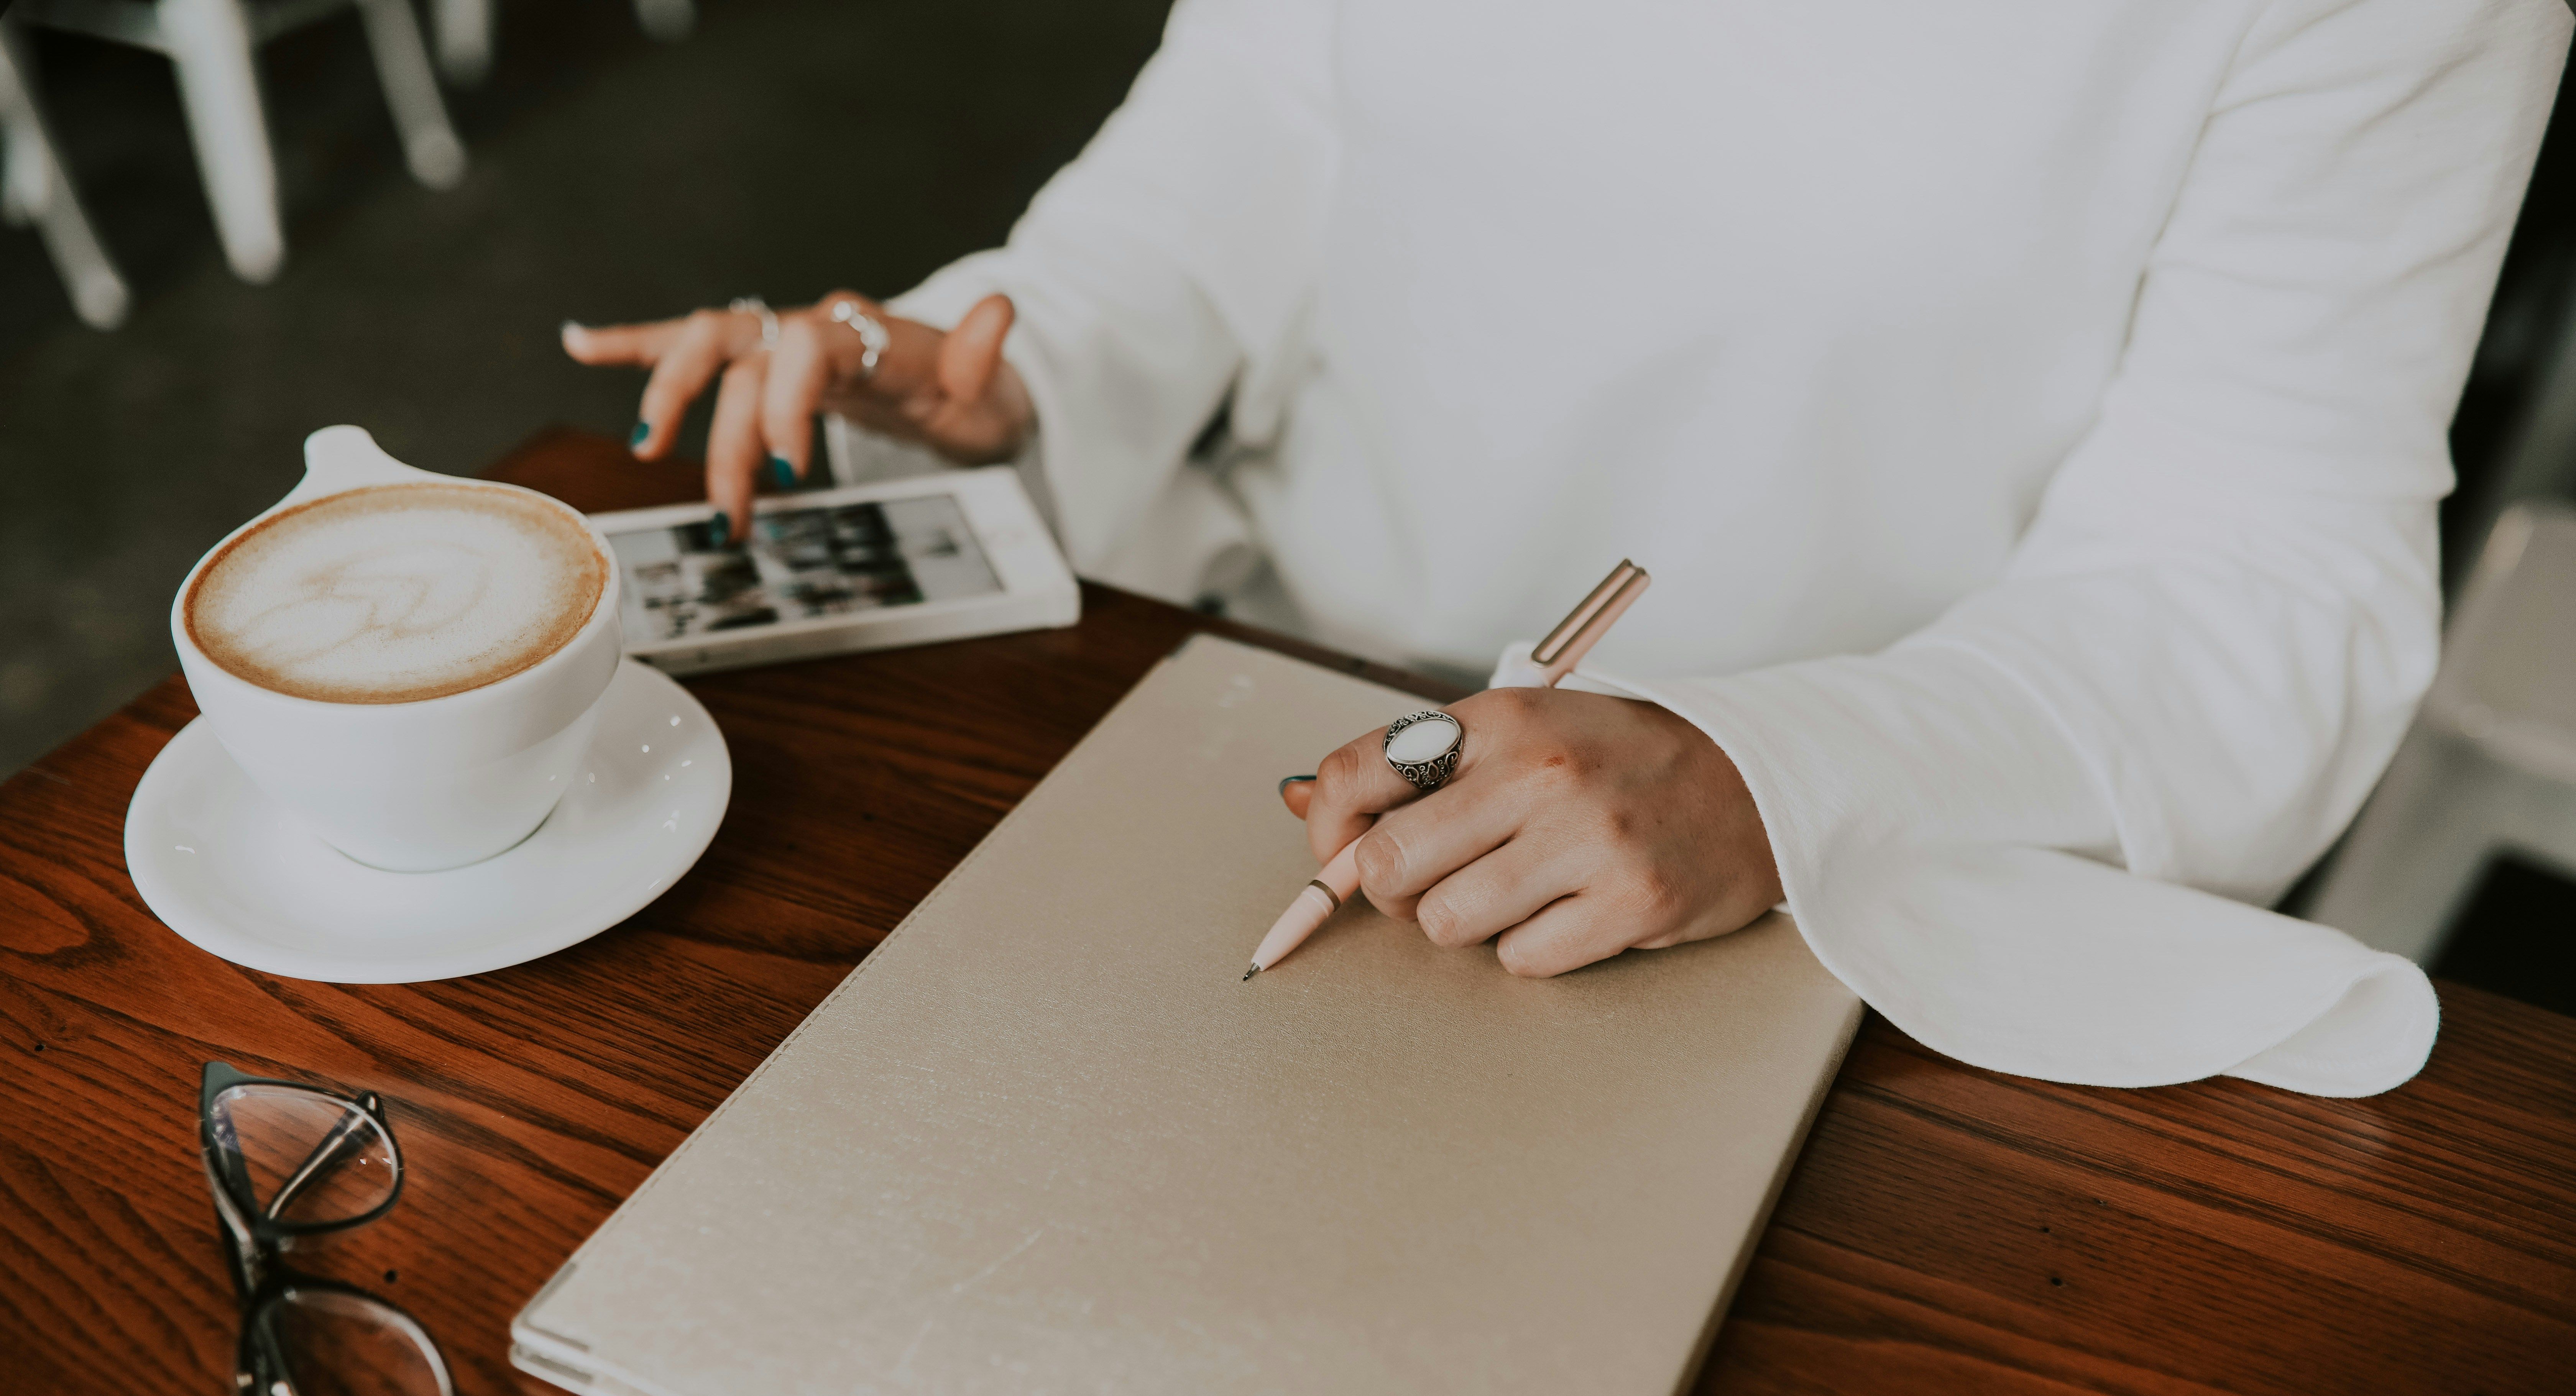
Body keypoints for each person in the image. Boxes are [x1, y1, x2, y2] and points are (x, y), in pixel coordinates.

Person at [566, 0, 2566, 1094]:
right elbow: (1229, 168)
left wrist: (1776, 776)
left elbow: (2261, 575)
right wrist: (1017, 365)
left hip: (1846, 918)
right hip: (1262, 728)